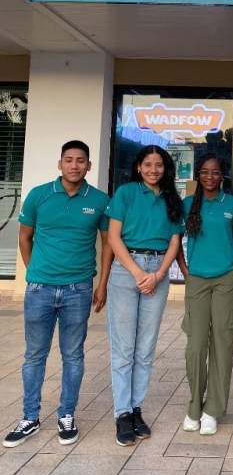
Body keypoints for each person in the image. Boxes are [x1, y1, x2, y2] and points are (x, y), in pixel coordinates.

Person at [3, 141, 111, 449]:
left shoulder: (100, 201)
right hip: (40, 288)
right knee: (34, 355)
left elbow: (107, 246)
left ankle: (67, 415)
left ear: (89, 166)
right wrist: (35, 271)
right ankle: (29, 418)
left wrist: (101, 285)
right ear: (59, 163)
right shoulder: (39, 195)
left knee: (73, 355)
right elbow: (25, 236)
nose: (74, 165)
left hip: (78, 289)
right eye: (69, 160)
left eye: (80, 161)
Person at [106, 145, 183, 446]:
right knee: (124, 347)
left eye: (159, 165)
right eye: (148, 164)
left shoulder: (172, 199)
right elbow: (113, 237)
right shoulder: (125, 193)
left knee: (146, 347)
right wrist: (138, 273)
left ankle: (136, 407)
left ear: (166, 169)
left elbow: (175, 241)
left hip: (158, 270)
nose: (154, 170)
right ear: (138, 167)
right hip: (127, 270)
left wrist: (159, 274)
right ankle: (122, 413)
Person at [177, 154, 233, 436]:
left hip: (226, 281)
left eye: (215, 172)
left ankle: (213, 409)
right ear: (198, 175)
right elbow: (174, 238)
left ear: (222, 176)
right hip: (197, 281)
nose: (209, 176)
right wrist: (185, 270)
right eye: (204, 172)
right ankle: (194, 406)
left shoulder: (232, 204)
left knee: (222, 344)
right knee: (195, 347)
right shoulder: (186, 205)